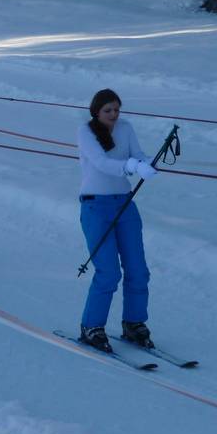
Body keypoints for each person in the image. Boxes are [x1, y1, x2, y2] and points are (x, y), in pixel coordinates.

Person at [76, 88, 158, 353]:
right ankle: (92, 326)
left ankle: (134, 322)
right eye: (108, 110)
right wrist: (132, 166)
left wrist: (147, 163)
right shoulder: (86, 132)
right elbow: (101, 163)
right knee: (108, 271)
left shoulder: (125, 128)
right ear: (96, 111)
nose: (113, 114)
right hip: (95, 206)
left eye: (116, 110)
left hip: (124, 204)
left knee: (138, 269)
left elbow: (138, 154)